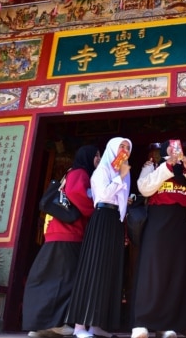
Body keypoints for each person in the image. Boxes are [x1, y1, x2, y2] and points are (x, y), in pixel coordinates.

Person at [23, 145, 101, 338]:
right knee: (64, 280)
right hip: (69, 234)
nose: (99, 159)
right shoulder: (80, 173)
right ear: (88, 157)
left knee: (49, 279)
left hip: (57, 233)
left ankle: (40, 324)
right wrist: (97, 210)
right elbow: (77, 195)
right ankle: (56, 323)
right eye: (97, 156)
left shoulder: (71, 173)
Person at [131, 140, 186, 338]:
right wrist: (168, 167)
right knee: (152, 271)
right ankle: (142, 322)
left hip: (181, 226)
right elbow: (144, 188)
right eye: (171, 147)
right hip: (157, 224)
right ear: (165, 149)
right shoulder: (153, 166)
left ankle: (167, 324)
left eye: (178, 147)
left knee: (175, 273)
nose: (175, 150)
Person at [66, 137, 133, 338]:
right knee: (93, 269)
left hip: (115, 222)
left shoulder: (124, 172)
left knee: (110, 271)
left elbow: (120, 200)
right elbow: (102, 196)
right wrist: (120, 179)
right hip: (102, 218)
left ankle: (96, 324)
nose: (124, 150)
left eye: (128, 148)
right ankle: (79, 326)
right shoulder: (102, 170)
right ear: (112, 148)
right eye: (121, 146)